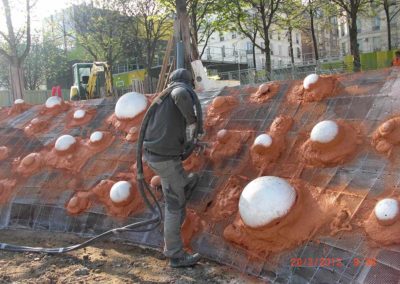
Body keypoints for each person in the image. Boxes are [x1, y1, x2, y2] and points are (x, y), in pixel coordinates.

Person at [143, 68, 202, 268]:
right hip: (165, 161)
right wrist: (193, 122)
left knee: (181, 183)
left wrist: (191, 141)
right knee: (174, 206)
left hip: (154, 155)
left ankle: (183, 185)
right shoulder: (177, 92)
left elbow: (171, 127)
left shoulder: (162, 99)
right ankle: (175, 255)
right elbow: (181, 95)